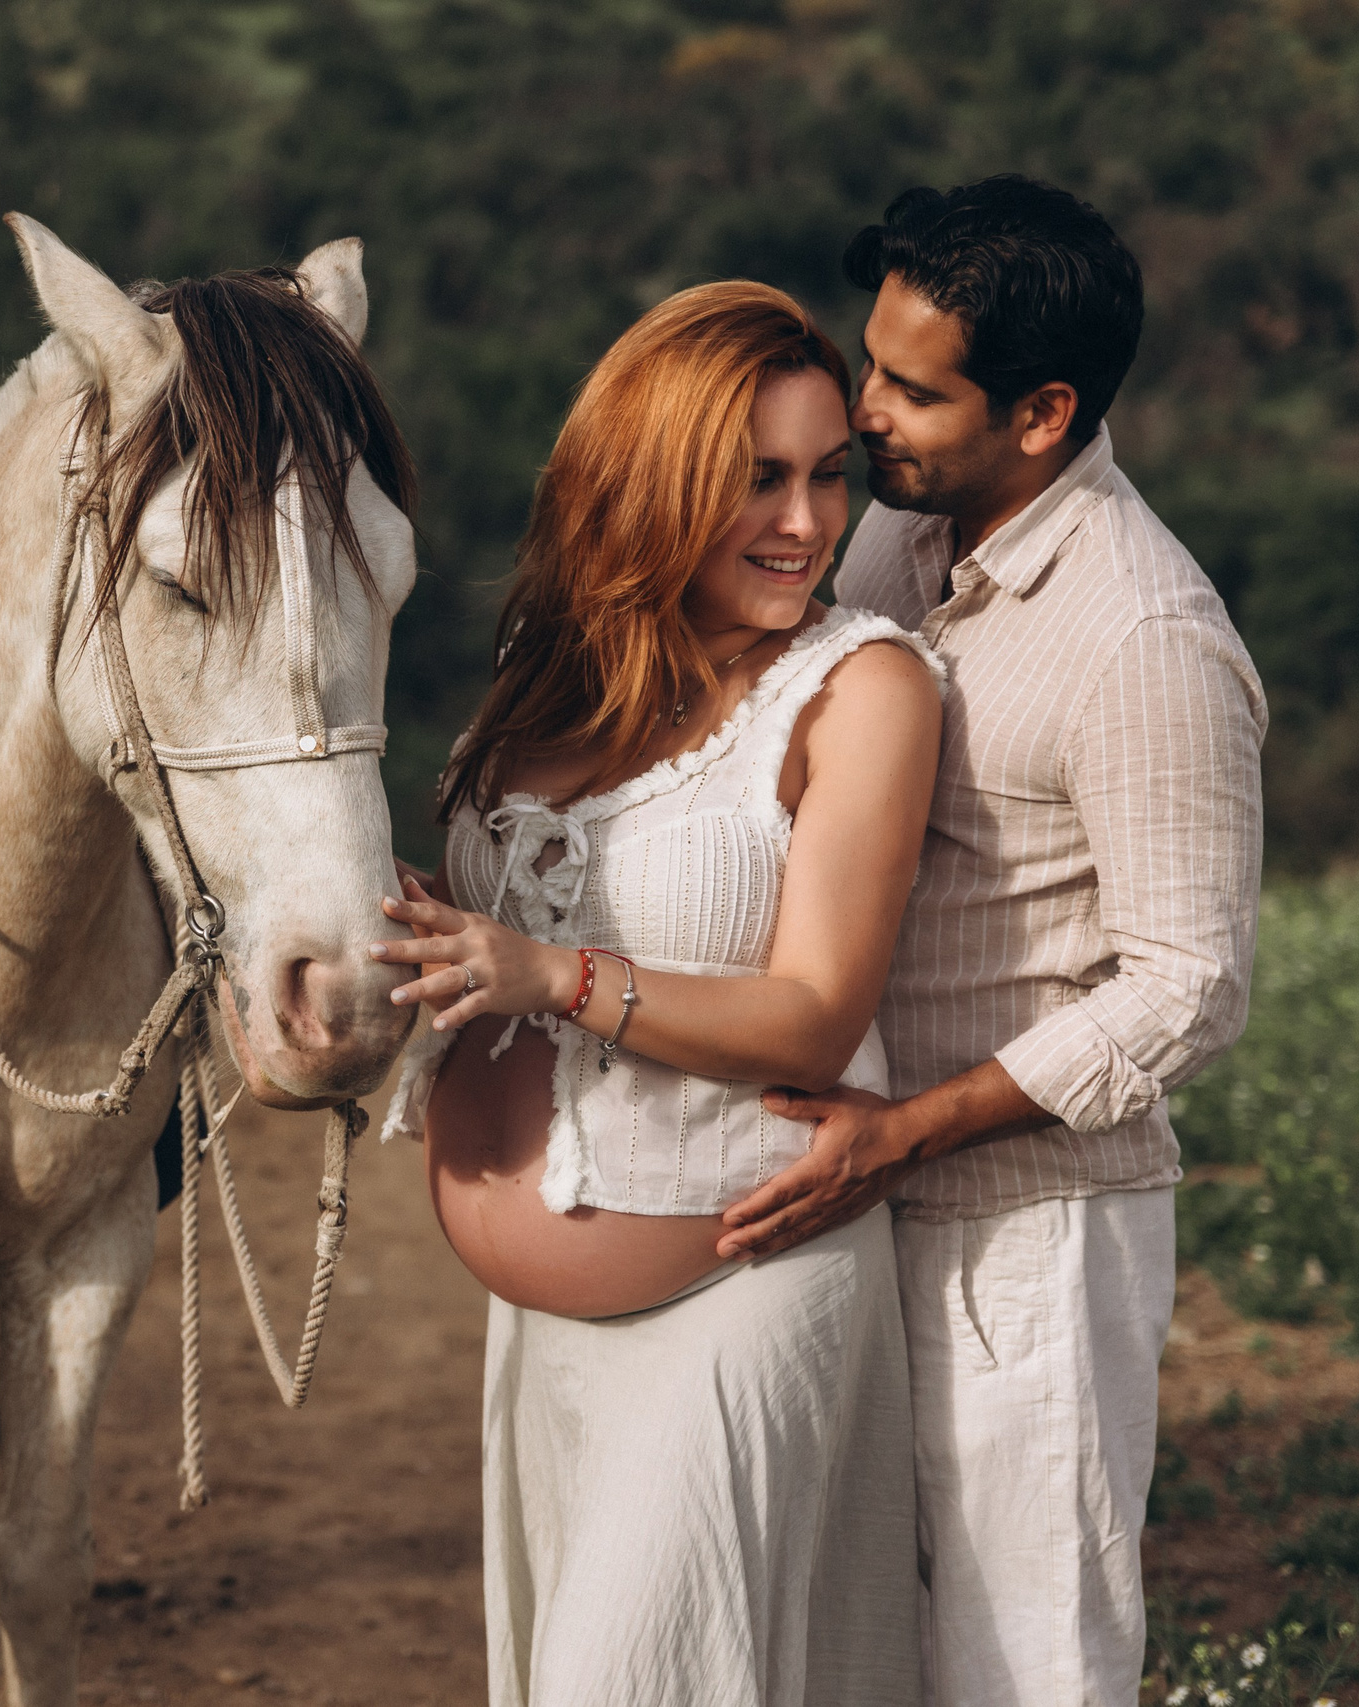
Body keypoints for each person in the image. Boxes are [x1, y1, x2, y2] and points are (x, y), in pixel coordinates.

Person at [713, 177, 1268, 1705]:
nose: (864, 410)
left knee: (1030, 1663)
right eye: (870, 359)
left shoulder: (1145, 639)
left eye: (911, 386)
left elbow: (1190, 986)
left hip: (1028, 1234)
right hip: (858, 1194)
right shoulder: (896, 544)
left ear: (1042, 413)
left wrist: (912, 1131)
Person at [372, 281, 941, 1706]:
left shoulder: (859, 689)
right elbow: (495, 940)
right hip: (541, 1343)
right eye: (757, 481)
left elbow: (814, 1008)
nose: (810, 526)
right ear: (650, 483)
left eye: (828, 477)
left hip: (736, 1296)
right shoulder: (543, 674)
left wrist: (548, 974)